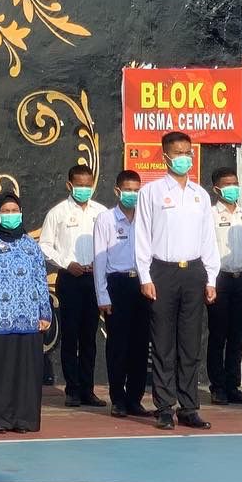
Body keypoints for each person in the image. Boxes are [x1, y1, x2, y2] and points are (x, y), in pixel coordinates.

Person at [134, 131, 217, 430]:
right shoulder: (151, 192)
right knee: (164, 344)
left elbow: (209, 239)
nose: (184, 157)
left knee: (191, 343)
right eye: (178, 152)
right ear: (165, 156)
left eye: (188, 152)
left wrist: (211, 278)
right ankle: (165, 407)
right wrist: (145, 275)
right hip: (162, 272)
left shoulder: (200, 195)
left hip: (193, 272)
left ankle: (189, 406)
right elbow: (142, 236)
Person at [0, 192, 52, 433]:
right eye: (5, 211)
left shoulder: (29, 244)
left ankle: (22, 419)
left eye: (14, 210)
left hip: (27, 320)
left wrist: (44, 313)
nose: (10, 215)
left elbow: (40, 279)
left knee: (23, 373)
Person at [38, 165, 106, 408]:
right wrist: (67, 264)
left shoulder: (101, 212)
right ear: (69, 185)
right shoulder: (58, 213)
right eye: (79, 185)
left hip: (95, 279)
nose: (84, 189)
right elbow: (45, 246)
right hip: (70, 279)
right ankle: (72, 390)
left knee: (89, 336)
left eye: (88, 185)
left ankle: (88, 389)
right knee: (71, 336)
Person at [94, 170, 150, 418]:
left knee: (140, 345)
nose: (133, 195)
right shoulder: (105, 219)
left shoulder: (148, 218)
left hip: (143, 284)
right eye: (128, 190)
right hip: (117, 284)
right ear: (117, 191)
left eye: (137, 190)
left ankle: (135, 399)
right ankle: (118, 399)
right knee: (118, 345)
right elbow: (100, 258)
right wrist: (102, 295)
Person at [207, 167, 242, 406]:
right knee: (218, 335)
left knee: (238, 335)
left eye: (235, 183)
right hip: (219, 280)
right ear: (217, 189)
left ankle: (233, 385)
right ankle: (217, 387)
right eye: (227, 185)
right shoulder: (210, 215)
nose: (232, 188)